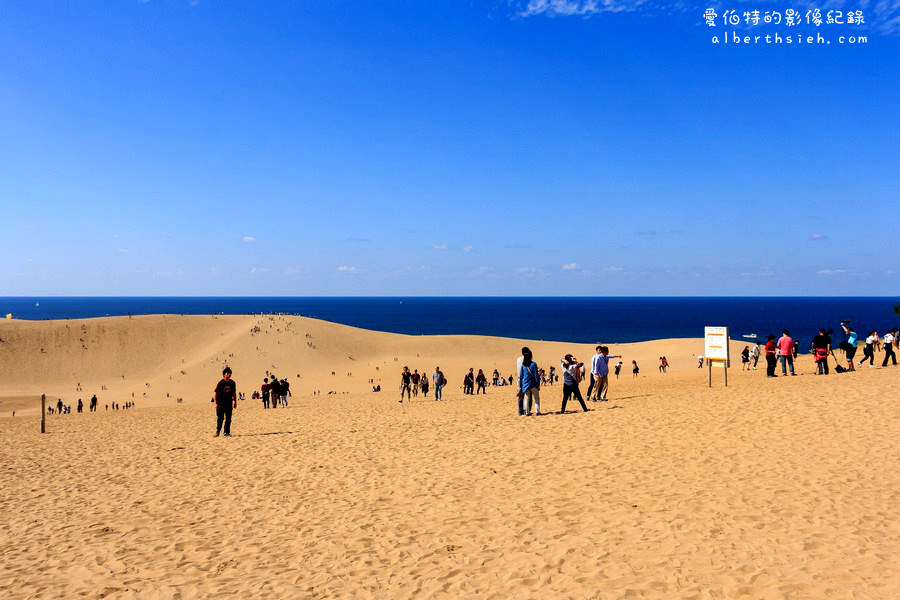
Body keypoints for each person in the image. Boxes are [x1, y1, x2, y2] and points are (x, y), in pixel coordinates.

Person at [214, 367, 237, 437]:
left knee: (228, 418)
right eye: (228, 373)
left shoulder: (232, 383)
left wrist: (235, 402)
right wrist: (216, 403)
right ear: (224, 374)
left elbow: (234, 393)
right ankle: (218, 431)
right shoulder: (220, 383)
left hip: (229, 403)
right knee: (220, 418)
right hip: (221, 404)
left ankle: (226, 432)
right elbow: (216, 393)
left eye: (230, 373)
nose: (229, 375)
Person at [519, 348, 541, 416]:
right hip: (533, 384)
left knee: (526, 399)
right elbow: (536, 375)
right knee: (536, 398)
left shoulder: (523, 365)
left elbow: (521, 376)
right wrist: (538, 384)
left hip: (525, 384)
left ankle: (527, 412)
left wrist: (520, 385)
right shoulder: (534, 364)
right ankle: (537, 412)